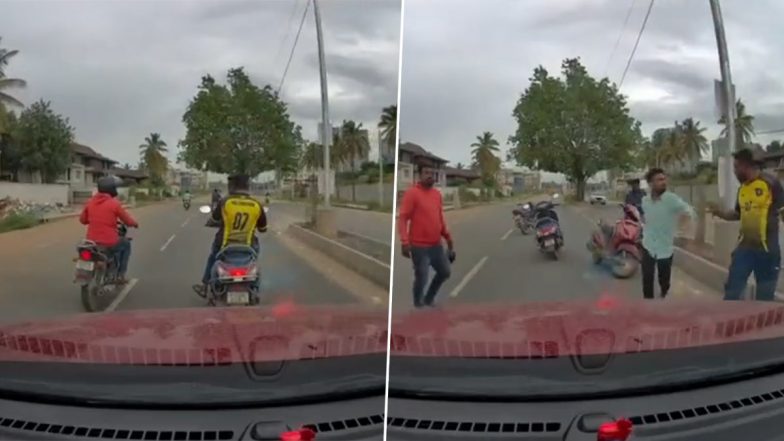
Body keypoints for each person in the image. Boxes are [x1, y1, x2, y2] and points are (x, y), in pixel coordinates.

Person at [709, 148, 784, 301]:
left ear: (745, 166)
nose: (735, 172)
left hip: (768, 251)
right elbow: (738, 214)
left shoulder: (771, 184)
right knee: (732, 291)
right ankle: (730, 320)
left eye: (736, 167)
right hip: (745, 248)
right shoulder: (743, 189)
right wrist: (719, 212)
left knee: (764, 298)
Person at [194, 174, 267, 296]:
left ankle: (205, 285)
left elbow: (214, 220)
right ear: (247, 186)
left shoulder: (225, 202)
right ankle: (252, 282)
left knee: (213, 256)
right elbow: (263, 229)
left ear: (232, 186)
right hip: (248, 245)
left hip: (224, 244)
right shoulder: (256, 205)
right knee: (254, 257)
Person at [398, 164, 455, 308]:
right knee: (422, 278)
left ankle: (429, 298)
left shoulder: (437, 195)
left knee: (445, 272)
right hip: (419, 247)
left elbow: (439, 219)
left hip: (436, 245)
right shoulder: (412, 193)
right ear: (419, 176)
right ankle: (418, 303)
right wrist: (404, 242)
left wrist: (449, 240)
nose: (430, 175)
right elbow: (403, 218)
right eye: (426, 172)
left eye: (432, 173)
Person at [640, 168, 695, 299]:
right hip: (647, 245)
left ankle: (664, 292)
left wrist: (683, 226)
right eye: (659, 180)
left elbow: (689, 212)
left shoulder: (672, 199)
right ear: (651, 183)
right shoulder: (645, 201)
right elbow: (645, 218)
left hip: (665, 247)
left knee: (664, 280)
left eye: (664, 179)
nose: (663, 182)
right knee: (647, 278)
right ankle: (648, 307)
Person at [79, 176, 139, 284]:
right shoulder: (114, 203)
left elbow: (83, 220)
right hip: (109, 242)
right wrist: (135, 223)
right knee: (126, 244)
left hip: (91, 242)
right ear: (111, 189)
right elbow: (127, 220)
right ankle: (121, 275)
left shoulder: (90, 202)